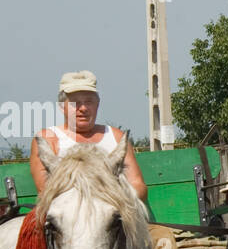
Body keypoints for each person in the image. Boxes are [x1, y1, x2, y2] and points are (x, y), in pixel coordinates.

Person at [29, 70, 147, 201]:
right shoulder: (48, 139)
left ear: (98, 105)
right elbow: (45, 190)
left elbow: (137, 184)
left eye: (89, 101)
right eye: (75, 102)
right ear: (62, 107)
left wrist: (117, 202)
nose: (83, 108)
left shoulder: (116, 137)